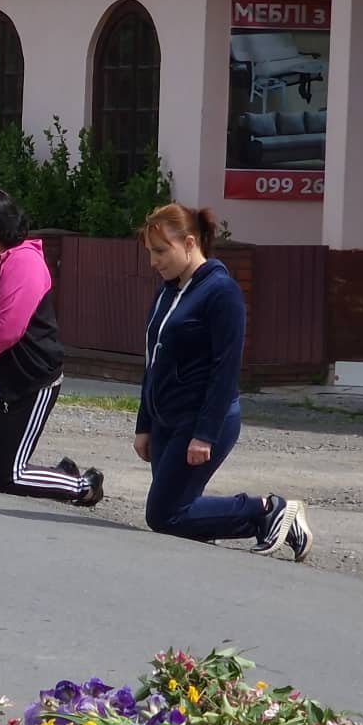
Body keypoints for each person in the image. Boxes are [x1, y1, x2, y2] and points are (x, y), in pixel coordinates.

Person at [136, 203, 312, 559]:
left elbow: (226, 369)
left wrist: (205, 433)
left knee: (163, 515)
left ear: (188, 243)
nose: (154, 261)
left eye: (160, 251)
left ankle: (267, 511)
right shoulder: (167, 291)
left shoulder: (221, 292)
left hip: (200, 421)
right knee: (179, 515)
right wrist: (144, 423)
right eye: (150, 253)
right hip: (166, 420)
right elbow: (153, 360)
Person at [0, 188, 102, 505]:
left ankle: (83, 485)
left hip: (27, 378)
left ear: (2, 224)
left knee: (6, 476)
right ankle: (61, 474)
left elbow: (8, 328)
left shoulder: (24, 260)